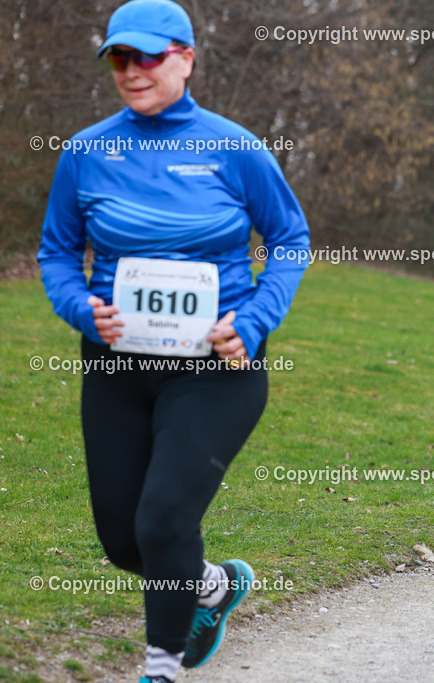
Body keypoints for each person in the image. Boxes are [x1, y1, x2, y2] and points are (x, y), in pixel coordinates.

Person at [36, 1, 310, 681]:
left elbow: (289, 239)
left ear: (186, 58)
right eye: (119, 57)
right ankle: (212, 585)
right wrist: (81, 309)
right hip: (118, 364)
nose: (132, 71)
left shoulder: (234, 148)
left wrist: (253, 321)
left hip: (216, 365)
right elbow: (57, 253)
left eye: (148, 57)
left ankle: (162, 664)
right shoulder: (86, 152)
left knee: (162, 519)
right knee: (123, 538)